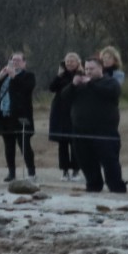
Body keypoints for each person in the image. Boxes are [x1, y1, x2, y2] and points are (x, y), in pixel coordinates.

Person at [73, 56, 125, 194]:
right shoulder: (81, 84)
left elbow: (110, 93)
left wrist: (90, 83)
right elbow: (64, 96)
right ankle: (93, 185)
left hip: (105, 131)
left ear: (100, 68)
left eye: (92, 68)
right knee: (86, 160)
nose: (88, 71)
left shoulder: (110, 82)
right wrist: (73, 84)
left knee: (109, 161)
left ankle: (116, 187)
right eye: (87, 68)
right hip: (81, 131)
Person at [0, 52, 38, 183]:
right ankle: (11, 173)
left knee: (25, 145)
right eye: (13, 60)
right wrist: (0, 76)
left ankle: (31, 173)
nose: (15, 62)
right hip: (5, 115)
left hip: (21, 116)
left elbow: (26, 89)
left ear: (24, 63)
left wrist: (14, 76)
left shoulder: (28, 76)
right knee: (8, 146)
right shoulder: (5, 76)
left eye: (18, 60)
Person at [48, 52, 82, 181]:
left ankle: (76, 170)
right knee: (62, 143)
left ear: (78, 62)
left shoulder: (81, 75)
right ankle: (64, 170)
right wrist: (59, 75)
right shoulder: (61, 76)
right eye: (67, 61)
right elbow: (51, 88)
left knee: (75, 143)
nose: (69, 63)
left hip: (75, 111)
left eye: (72, 61)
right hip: (60, 112)